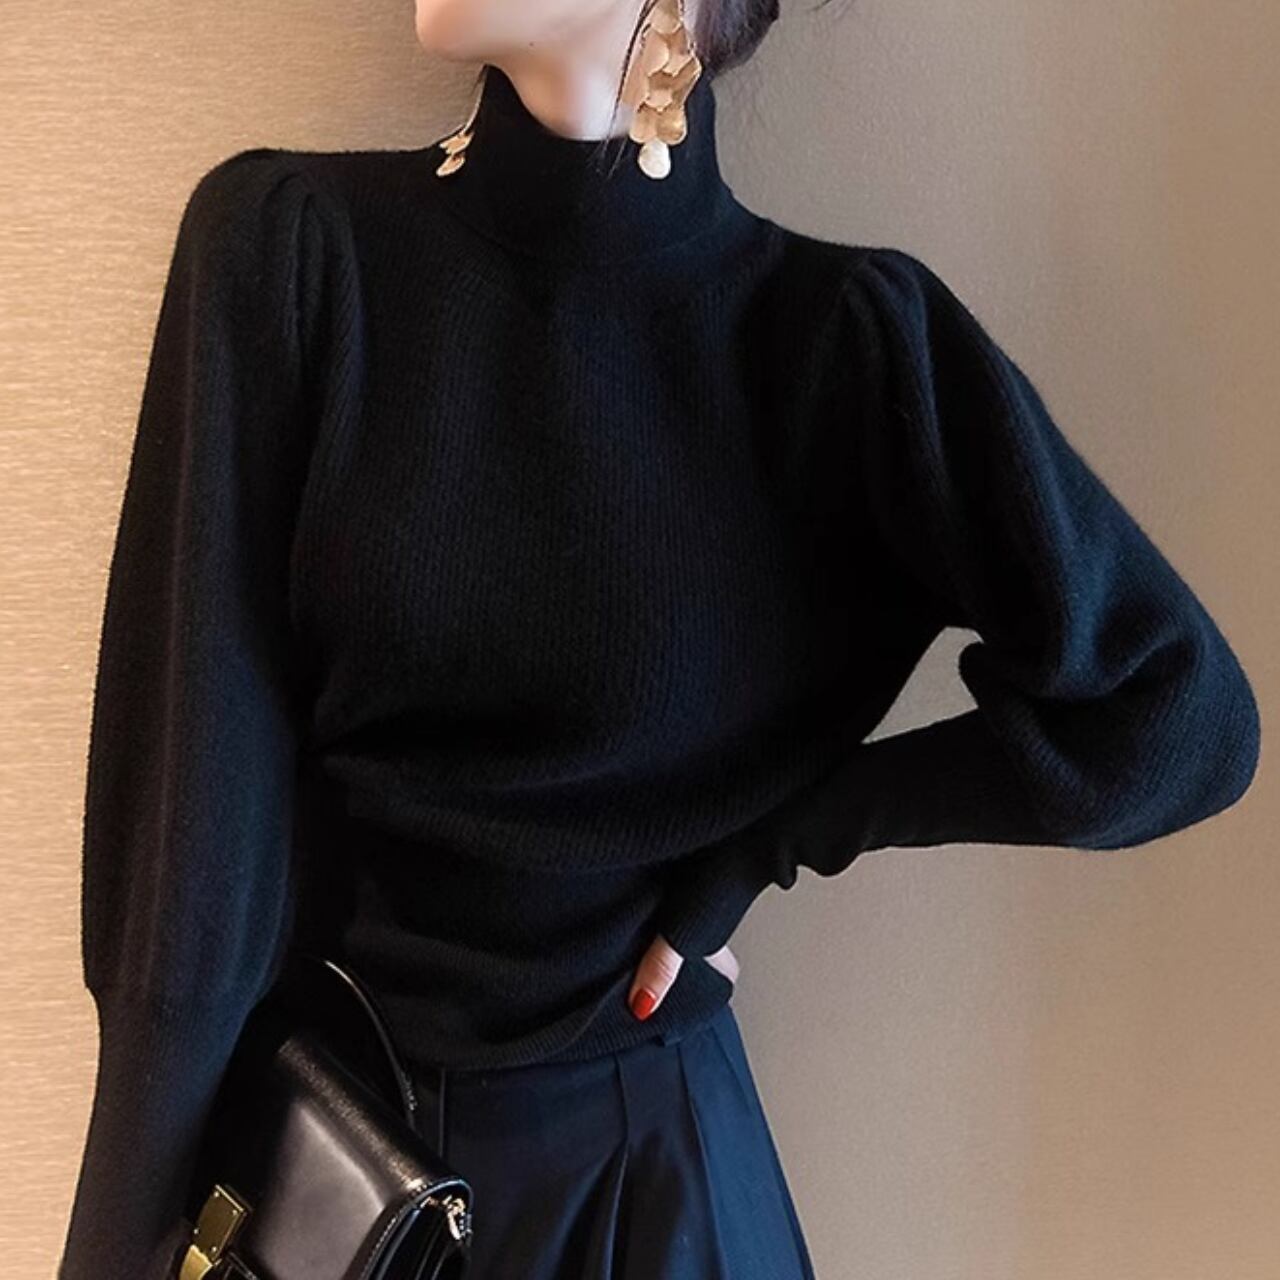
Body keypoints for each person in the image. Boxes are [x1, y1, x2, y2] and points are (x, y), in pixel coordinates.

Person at [58, 1, 1262, 1277]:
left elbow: (1177, 719)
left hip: (659, 1191)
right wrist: (119, 1238)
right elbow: (186, 876)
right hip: (334, 1177)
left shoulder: (837, 346)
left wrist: (779, 835)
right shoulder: (290, 251)